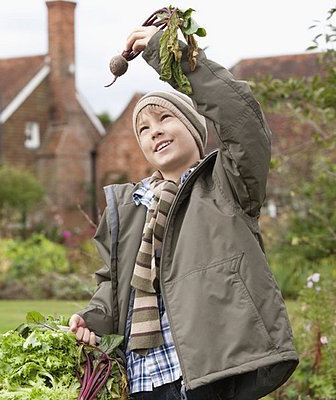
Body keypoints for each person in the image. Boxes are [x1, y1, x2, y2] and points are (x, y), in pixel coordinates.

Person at [69, 25, 298, 399]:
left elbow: (241, 120)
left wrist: (173, 57)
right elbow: (114, 285)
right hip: (143, 380)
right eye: (143, 128)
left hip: (206, 372)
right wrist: (93, 318)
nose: (154, 132)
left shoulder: (225, 184)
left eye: (165, 119)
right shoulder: (131, 207)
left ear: (195, 129)